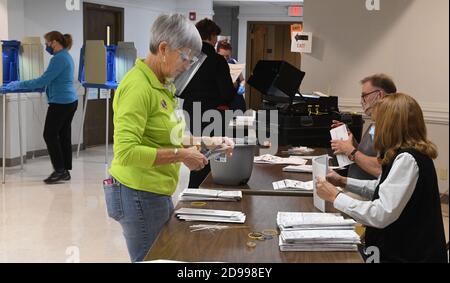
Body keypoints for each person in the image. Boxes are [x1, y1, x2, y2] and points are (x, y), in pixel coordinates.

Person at [104, 14, 234, 263]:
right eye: (184, 58)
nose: (187, 66)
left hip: (155, 190)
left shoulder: (163, 85)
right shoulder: (138, 87)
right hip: (137, 193)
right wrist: (182, 155)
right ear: (163, 49)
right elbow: (126, 152)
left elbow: (171, 136)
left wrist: (209, 141)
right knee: (154, 258)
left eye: (191, 60)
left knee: (167, 256)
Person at [317, 93, 447, 263]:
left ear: (390, 126)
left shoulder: (408, 159)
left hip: (408, 255)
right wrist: (343, 181)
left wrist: (336, 197)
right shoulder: (402, 154)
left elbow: (380, 214)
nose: (375, 129)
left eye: (378, 123)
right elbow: (381, 188)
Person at [6, 31, 78, 184]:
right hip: (70, 101)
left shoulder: (58, 59)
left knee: (50, 135)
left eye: (47, 43)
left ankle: (59, 170)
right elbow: (51, 80)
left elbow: (43, 80)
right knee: (63, 135)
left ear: (55, 42)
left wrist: (16, 84)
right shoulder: (66, 56)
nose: (46, 46)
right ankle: (64, 170)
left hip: (61, 102)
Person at [181, 18, 236, 188]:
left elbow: (180, 89)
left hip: (191, 110)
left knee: (197, 148)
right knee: (213, 154)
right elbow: (227, 93)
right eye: (215, 37)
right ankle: (205, 188)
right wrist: (234, 86)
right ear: (212, 36)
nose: (216, 41)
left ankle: (194, 188)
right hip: (213, 113)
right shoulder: (217, 60)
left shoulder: (188, 58)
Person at [331, 74, 397, 181]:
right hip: (355, 186)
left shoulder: (391, 126)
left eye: (364, 95)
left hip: (366, 193)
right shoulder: (375, 123)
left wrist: (350, 151)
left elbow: (380, 169)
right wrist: (353, 144)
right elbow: (367, 155)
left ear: (379, 95)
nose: (361, 101)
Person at [216, 40, 246, 112]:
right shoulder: (214, 65)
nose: (225, 58)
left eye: (227, 56)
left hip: (237, 100)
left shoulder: (233, 62)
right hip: (223, 102)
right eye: (222, 56)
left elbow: (242, 79)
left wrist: (242, 86)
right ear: (217, 53)